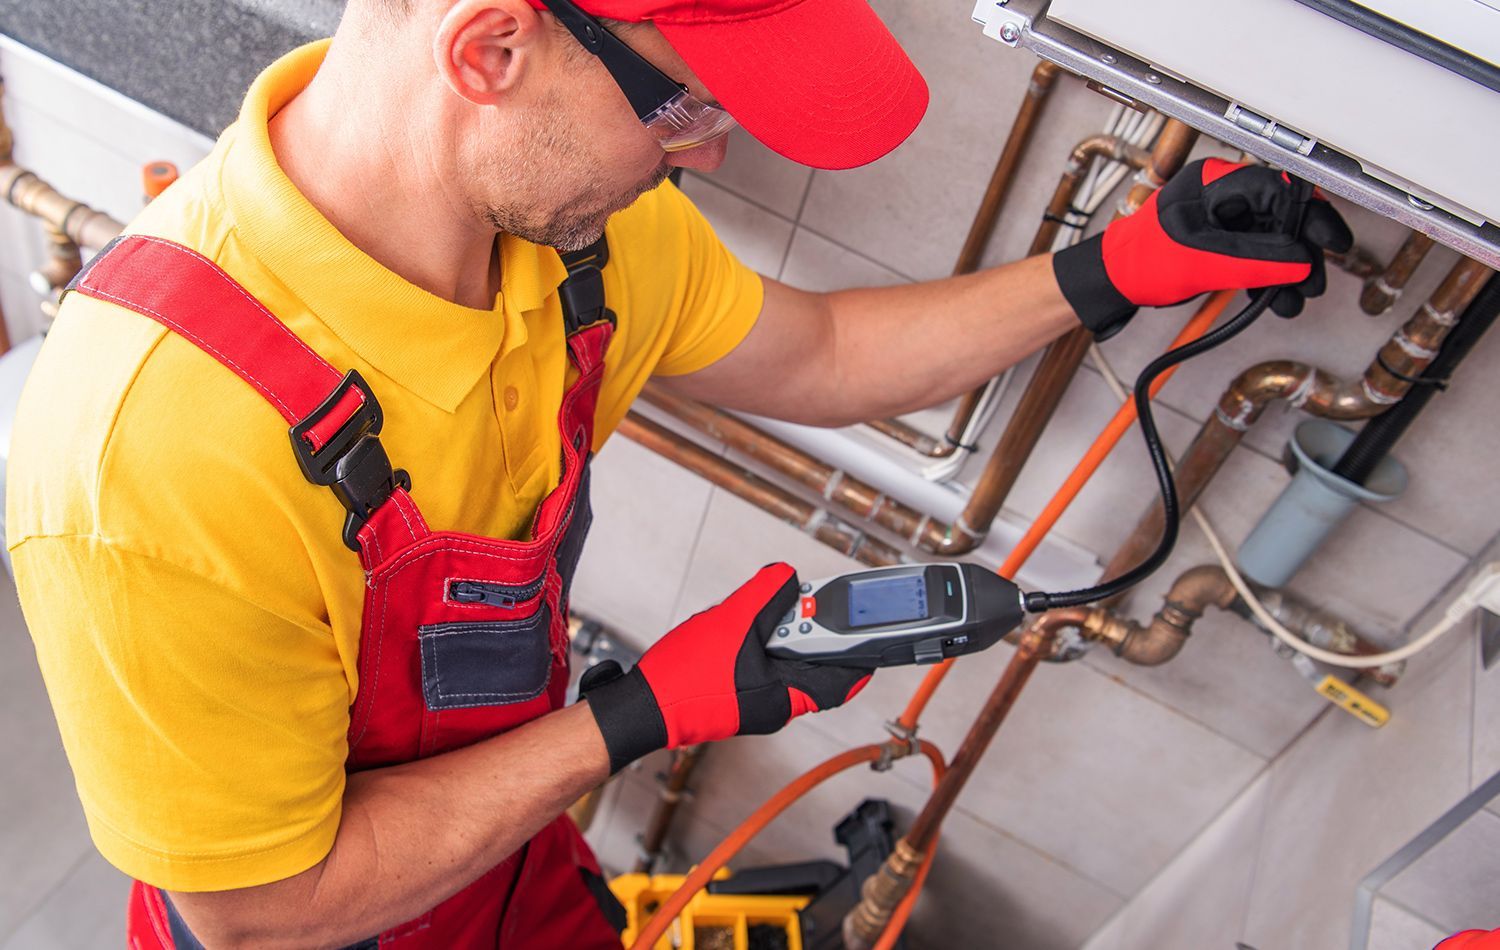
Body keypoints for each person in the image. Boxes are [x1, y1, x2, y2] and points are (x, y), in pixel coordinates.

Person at [7, 0, 1350, 946]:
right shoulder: (150, 455)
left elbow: (821, 347)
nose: (709, 152)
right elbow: (257, 914)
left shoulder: (569, 245)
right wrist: (635, 717)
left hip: (511, 871)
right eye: (686, 104)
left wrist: (1120, 266)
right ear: (490, 48)